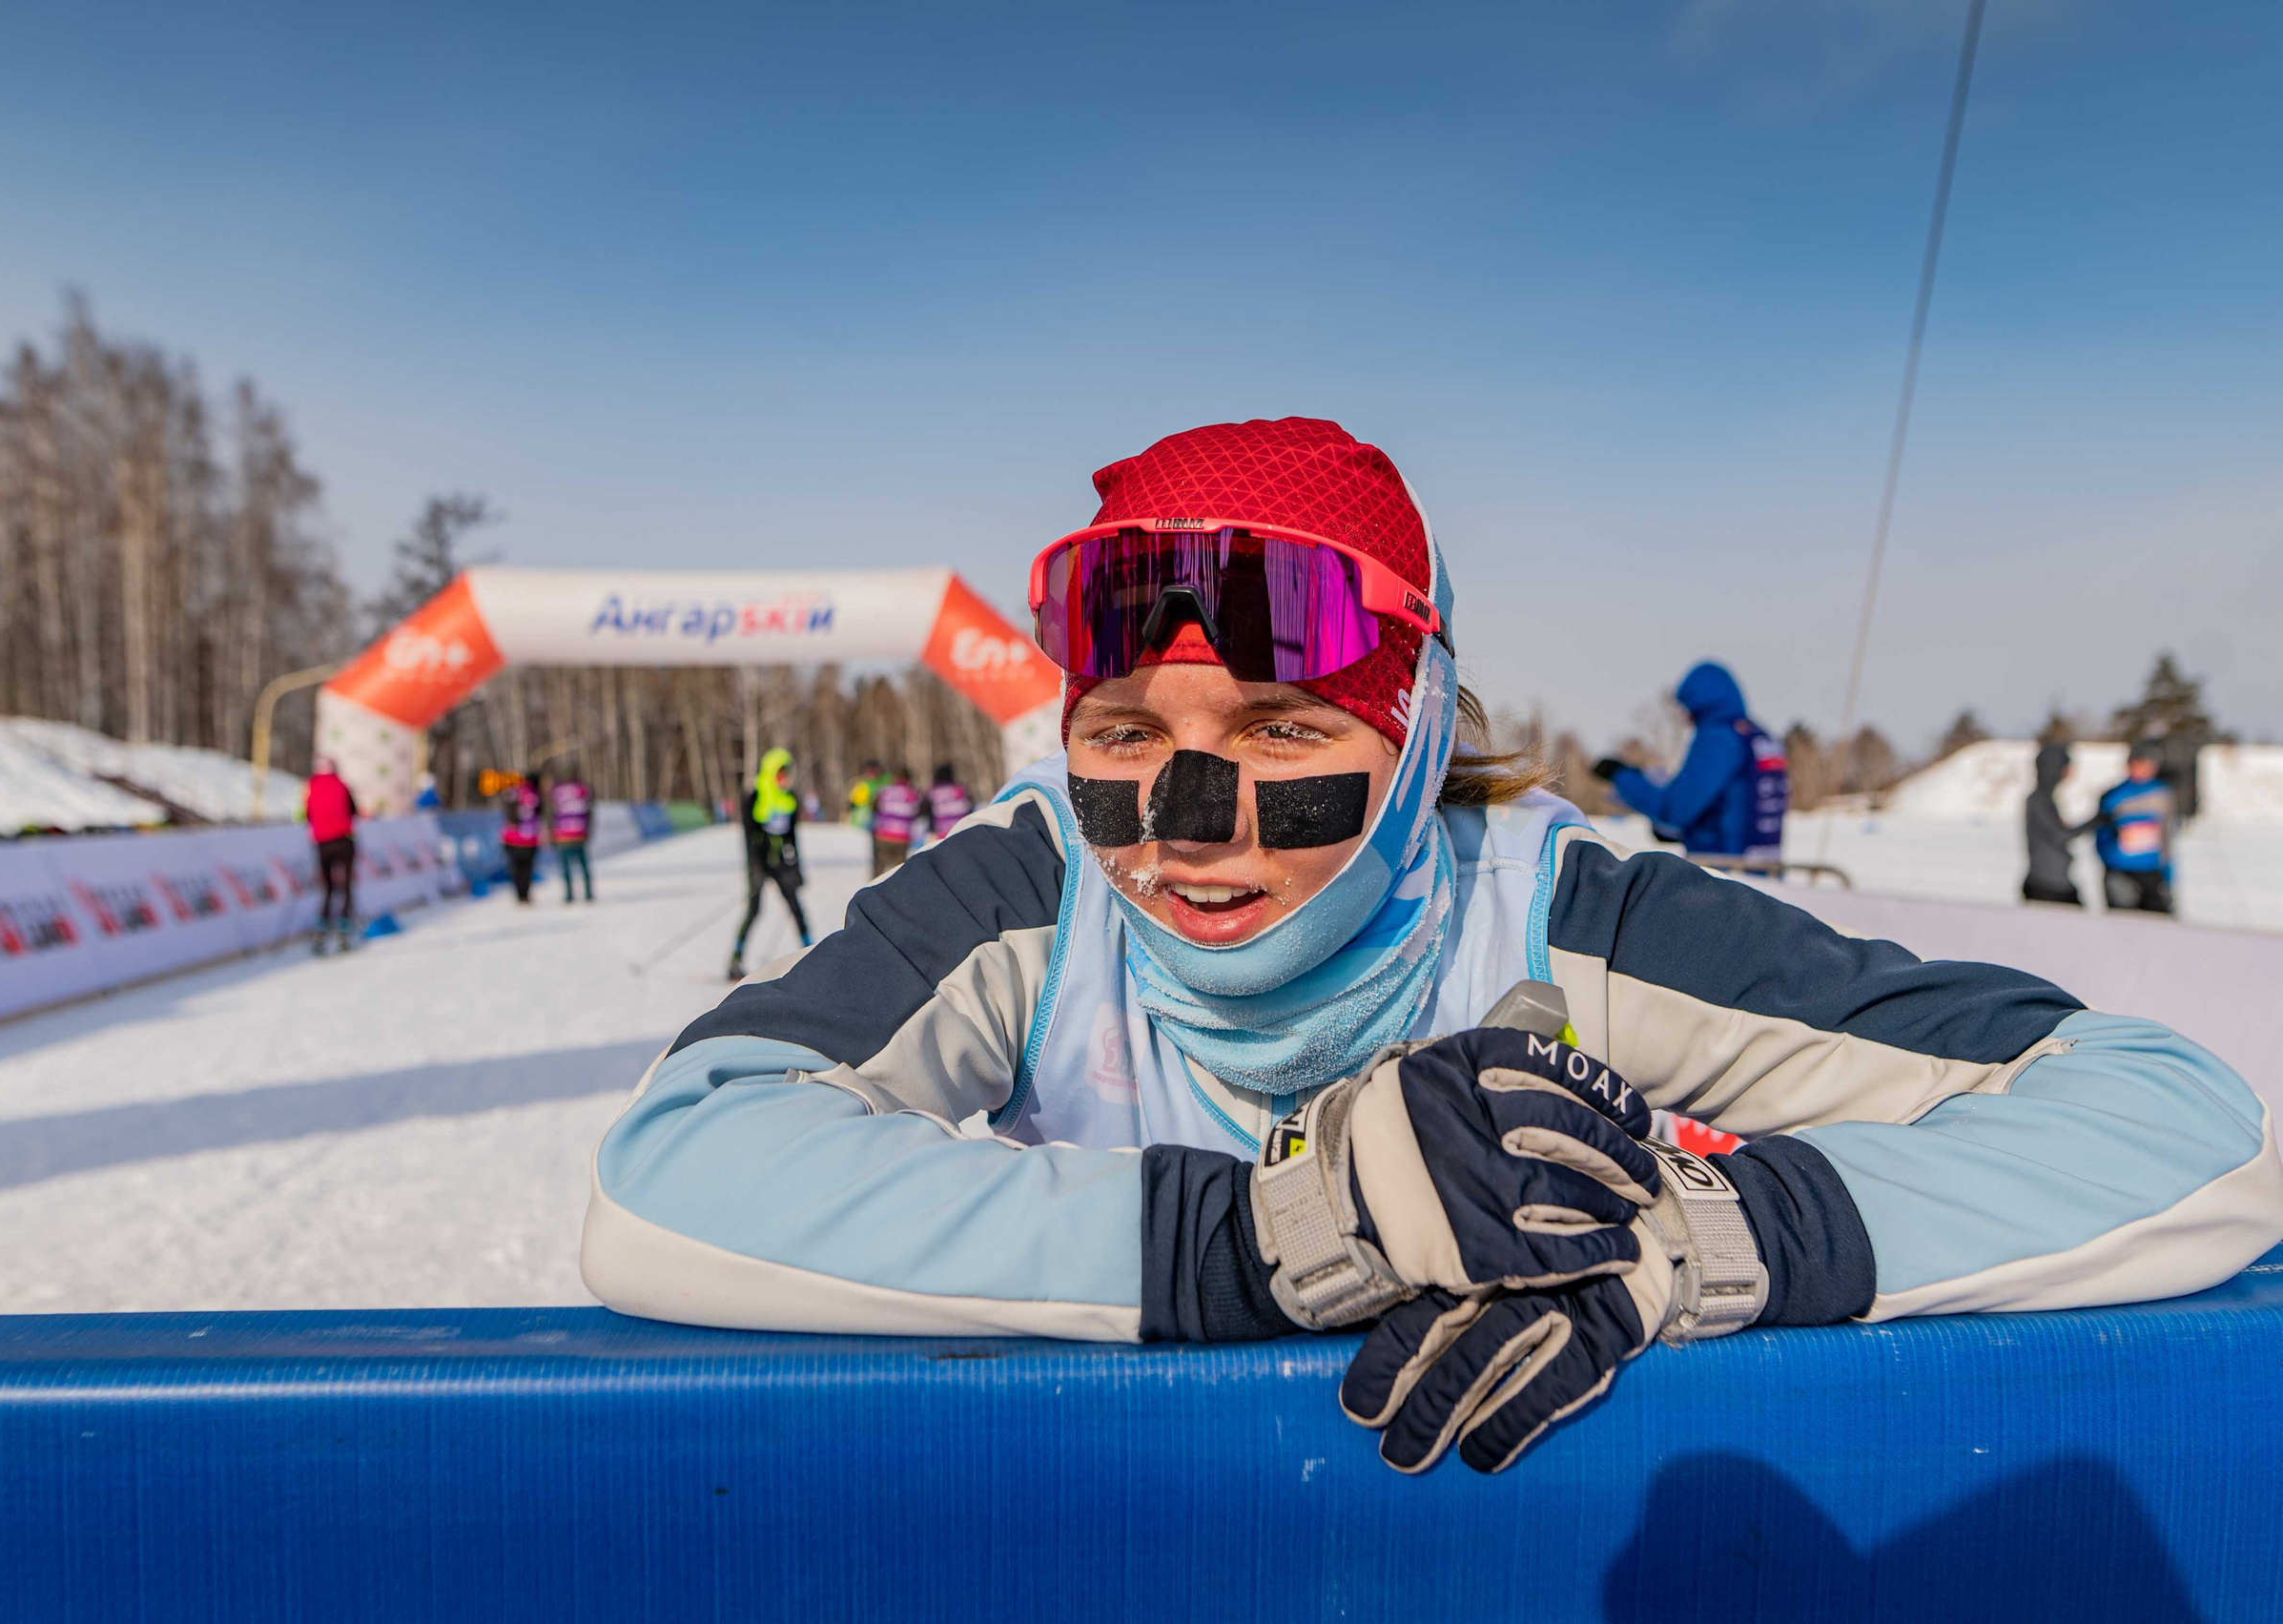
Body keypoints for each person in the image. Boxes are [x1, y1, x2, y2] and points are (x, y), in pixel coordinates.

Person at [583, 417, 2281, 1479]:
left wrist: (1712, 1236)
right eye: (1121, 725)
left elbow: (2183, 1123)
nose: (1181, 823)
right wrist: (1262, 1239)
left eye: (1273, 724)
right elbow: (673, 1169)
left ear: (1417, 745)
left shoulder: (1564, 913)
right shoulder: (1035, 890)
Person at [1592, 663, 1786, 859]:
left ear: (1702, 704)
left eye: (1689, 709)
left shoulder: (1719, 739)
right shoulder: (1758, 737)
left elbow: (1674, 809)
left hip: (1727, 875)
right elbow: (1735, 807)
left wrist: (1620, 775)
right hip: (1763, 869)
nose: (1687, 719)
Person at [729, 747, 813, 982]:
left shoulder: (790, 799)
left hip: (781, 863)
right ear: (771, 772)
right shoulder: (754, 797)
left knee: (796, 908)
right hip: (759, 862)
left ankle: (813, 953)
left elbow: (792, 837)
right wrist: (754, 867)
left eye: (787, 774)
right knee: (754, 910)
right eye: (781, 774)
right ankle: (735, 959)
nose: (785, 779)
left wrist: (796, 867)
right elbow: (748, 836)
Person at [2097, 740, 2179, 915]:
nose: (2144, 768)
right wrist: (2110, 860)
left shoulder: (2163, 794)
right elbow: (2101, 833)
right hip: (2121, 871)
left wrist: (2168, 873)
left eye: (2149, 764)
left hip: (2153, 871)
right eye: (2139, 763)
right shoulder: (2113, 796)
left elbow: (2167, 833)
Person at [302, 756, 360, 955]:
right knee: (345, 884)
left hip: (322, 843)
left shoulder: (311, 786)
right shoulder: (342, 785)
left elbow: (306, 814)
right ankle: (344, 923)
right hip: (343, 840)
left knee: (327, 887)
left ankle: (323, 924)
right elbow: (353, 810)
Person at [2022, 741, 2088, 907]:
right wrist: (2099, 820)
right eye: (2066, 766)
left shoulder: (2046, 798)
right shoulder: (2040, 800)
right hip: (2047, 886)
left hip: (2055, 883)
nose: (2069, 771)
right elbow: (2061, 835)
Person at [550, 771, 595, 903]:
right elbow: (589, 810)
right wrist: (588, 829)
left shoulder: (556, 791)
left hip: (563, 835)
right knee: (583, 866)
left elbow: (551, 812)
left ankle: (569, 895)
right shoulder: (582, 789)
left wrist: (551, 832)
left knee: (566, 868)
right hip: (579, 833)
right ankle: (588, 893)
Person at [870, 765, 922, 877]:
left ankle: (871, 890)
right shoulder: (913, 793)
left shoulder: (885, 790)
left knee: (879, 868)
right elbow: (918, 813)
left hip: (883, 835)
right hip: (902, 837)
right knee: (899, 872)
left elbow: (874, 808)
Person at [501, 773, 543, 904]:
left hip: (511, 838)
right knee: (527, 868)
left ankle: (520, 895)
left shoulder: (512, 792)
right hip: (529, 839)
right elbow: (539, 814)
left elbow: (508, 814)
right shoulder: (535, 794)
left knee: (516, 868)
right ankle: (525, 895)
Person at [925, 762, 976, 843]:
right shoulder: (961, 789)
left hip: (942, 834)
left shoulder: (934, 791)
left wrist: (931, 830)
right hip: (960, 831)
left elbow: (929, 812)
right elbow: (970, 808)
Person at [848, 760, 886, 829]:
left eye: (874, 770)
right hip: (862, 821)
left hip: (879, 821)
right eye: (870, 770)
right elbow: (852, 803)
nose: (872, 773)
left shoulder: (883, 782)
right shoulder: (861, 784)